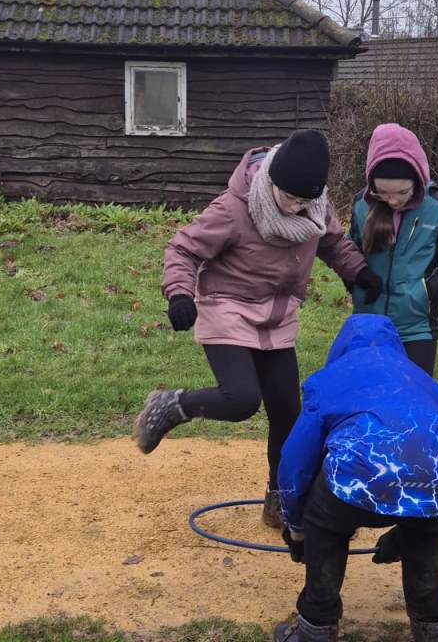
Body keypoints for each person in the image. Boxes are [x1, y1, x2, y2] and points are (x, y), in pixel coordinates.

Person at [134, 130, 380, 527]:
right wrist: (179, 293)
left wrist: (358, 272)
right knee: (241, 399)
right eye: (290, 198)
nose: (297, 207)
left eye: (304, 201)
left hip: (277, 315)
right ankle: (172, 405)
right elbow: (183, 248)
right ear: (273, 181)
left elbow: (333, 243)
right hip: (227, 307)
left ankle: (279, 498)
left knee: (288, 412)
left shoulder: (316, 208)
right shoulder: (235, 208)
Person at [271, 313, 438, 642]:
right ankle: (435, 631)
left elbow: (295, 460)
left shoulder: (328, 380)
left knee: (325, 523)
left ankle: (315, 635)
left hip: (361, 477)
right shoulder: (422, 379)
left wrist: (298, 527)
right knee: (428, 528)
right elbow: (420, 447)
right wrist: (405, 532)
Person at [348, 122, 438, 373]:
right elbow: (348, 250)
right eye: (383, 193)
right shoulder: (361, 205)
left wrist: (432, 287)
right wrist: (357, 281)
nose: (392, 200)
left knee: (414, 391)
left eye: (402, 192)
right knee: (370, 389)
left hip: (417, 327)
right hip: (368, 321)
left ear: (417, 180)